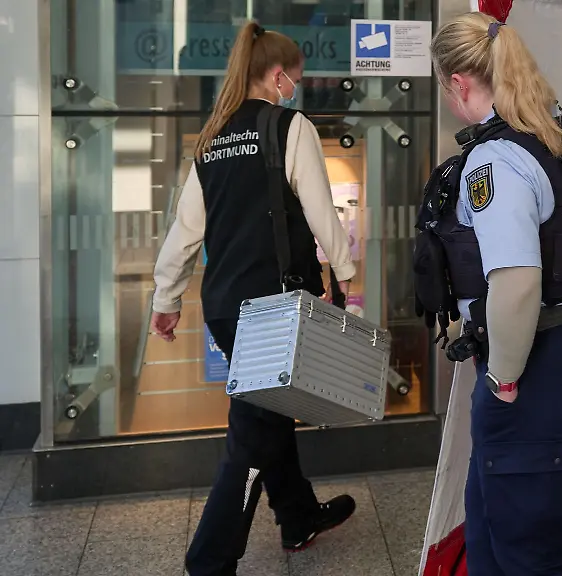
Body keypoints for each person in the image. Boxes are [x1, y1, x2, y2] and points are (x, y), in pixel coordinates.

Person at [150, 21, 358, 575]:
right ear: (278, 75)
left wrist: (165, 298)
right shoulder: (289, 127)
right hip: (273, 308)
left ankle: (298, 516)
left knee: (268, 414)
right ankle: (210, 561)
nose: (298, 88)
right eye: (297, 79)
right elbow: (321, 211)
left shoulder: (213, 137)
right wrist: (345, 272)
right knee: (251, 435)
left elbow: (186, 230)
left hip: (223, 305)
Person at [414, 12, 562, 575]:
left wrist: (503, 376)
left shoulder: (496, 160)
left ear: (458, 83)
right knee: (492, 524)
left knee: (529, 554)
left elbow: (516, 281)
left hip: (537, 365)